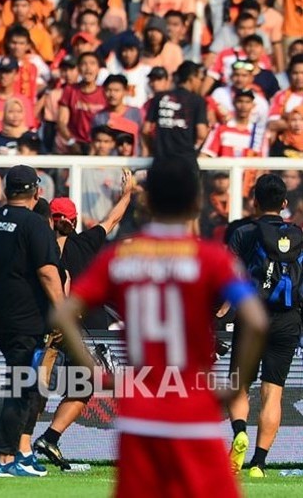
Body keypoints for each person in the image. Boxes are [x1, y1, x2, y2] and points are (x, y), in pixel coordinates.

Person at [52, 155, 268, 497]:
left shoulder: (120, 257)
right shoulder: (212, 258)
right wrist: (236, 383)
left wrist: (96, 374)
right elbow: (256, 319)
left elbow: (63, 314)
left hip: (140, 417)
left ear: (148, 201)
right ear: (196, 202)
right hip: (194, 411)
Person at [32, 179, 133, 469]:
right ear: (73, 221)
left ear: (51, 220)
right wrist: (126, 194)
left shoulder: (40, 247)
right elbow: (112, 219)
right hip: (83, 332)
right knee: (84, 384)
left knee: (34, 388)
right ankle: (45, 439)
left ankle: (30, 442)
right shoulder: (87, 242)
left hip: (46, 329)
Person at [0, 165, 64, 477]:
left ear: (6, 190)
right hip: (27, 318)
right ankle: (3, 457)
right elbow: (47, 272)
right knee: (22, 386)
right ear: (36, 192)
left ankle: (22, 453)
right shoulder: (35, 225)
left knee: (26, 383)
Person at [227, 173, 303, 477]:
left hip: (252, 316)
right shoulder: (298, 235)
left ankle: (240, 432)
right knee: (274, 391)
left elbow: (228, 279)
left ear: (254, 201)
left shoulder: (243, 233)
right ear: (284, 203)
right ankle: (259, 463)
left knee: (239, 386)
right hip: (287, 319)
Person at [143, 60, 208, 160]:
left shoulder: (159, 98)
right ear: (192, 78)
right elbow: (202, 133)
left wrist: (153, 149)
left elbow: (146, 130)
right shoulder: (197, 101)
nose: (201, 83)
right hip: (185, 162)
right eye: (200, 79)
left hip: (161, 161)